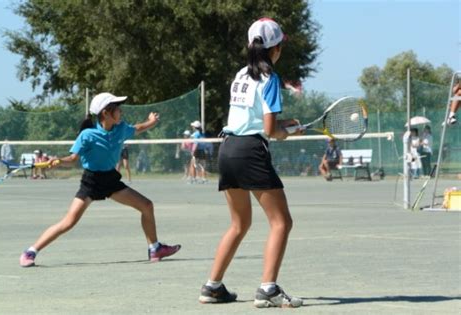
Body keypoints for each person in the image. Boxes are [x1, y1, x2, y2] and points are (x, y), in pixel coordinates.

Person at [199, 18, 303, 308]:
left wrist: (288, 124)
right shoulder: (271, 78)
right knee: (282, 222)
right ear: (277, 48)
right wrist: (284, 132)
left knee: (239, 223)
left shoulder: (241, 74)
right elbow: (270, 131)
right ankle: (268, 289)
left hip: (228, 149)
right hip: (250, 152)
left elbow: (254, 120)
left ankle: (212, 287)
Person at [19, 92, 181, 267]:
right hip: (91, 181)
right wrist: (58, 161)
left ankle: (155, 248)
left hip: (111, 180)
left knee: (147, 206)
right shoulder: (87, 135)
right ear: (106, 112)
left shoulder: (121, 128)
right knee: (69, 222)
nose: (120, 112)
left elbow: (139, 128)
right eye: (117, 109)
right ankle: (30, 252)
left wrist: (151, 121)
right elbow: (73, 160)